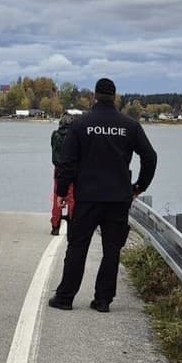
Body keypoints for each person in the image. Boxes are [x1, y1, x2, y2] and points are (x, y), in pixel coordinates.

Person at [49, 78, 157, 312]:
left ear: (94, 96)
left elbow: (67, 162)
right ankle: (103, 300)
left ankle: (65, 297)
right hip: (118, 198)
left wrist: (62, 192)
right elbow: (150, 157)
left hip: (87, 197)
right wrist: (139, 186)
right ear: (115, 97)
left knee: (77, 247)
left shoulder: (80, 125)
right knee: (111, 250)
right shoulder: (129, 126)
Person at [50, 111, 77, 235]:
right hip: (72, 170)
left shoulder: (55, 135)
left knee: (57, 196)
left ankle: (55, 225)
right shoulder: (74, 137)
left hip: (58, 170)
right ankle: (72, 223)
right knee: (72, 198)